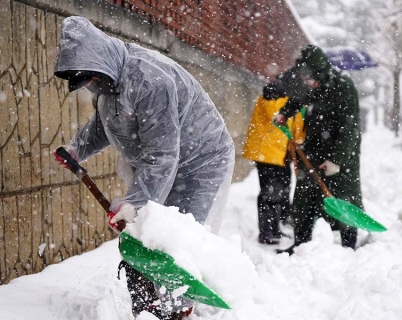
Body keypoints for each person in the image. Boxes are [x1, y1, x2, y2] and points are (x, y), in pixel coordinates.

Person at [52, 16, 234, 320]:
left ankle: (176, 309)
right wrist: (77, 149)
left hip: (200, 161)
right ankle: (148, 305)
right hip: (167, 161)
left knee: (171, 242)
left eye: (92, 79)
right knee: (145, 239)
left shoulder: (150, 80)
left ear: (100, 63)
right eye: (87, 83)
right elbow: (106, 123)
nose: (92, 86)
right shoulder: (110, 85)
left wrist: (135, 203)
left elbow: (162, 154)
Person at [273, 45, 362, 254]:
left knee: (343, 196)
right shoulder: (313, 85)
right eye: (304, 77)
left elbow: (350, 129)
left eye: (309, 77)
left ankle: (349, 245)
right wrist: (285, 113)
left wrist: (337, 160)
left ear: (319, 72)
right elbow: (298, 99)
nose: (307, 82)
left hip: (341, 153)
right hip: (313, 149)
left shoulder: (343, 86)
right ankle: (301, 244)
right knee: (304, 197)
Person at [242, 68, 306, 245]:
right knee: (269, 193)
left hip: (281, 153)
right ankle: (265, 232)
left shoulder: (289, 99)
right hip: (267, 153)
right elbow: (276, 117)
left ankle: (275, 228)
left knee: (282, 192)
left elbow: (297, 127)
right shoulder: (272, 94)